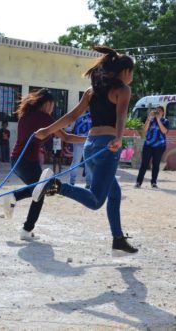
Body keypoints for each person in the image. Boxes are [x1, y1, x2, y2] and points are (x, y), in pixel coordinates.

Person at [33, 46, 138, 255]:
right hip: (107, 146)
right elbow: (120, 116)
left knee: (114, 192)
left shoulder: (93, 91)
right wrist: (118, 138)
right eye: (132, 72)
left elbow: (72, 116)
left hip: (90, 145)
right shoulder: (123, 90)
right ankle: (55, 185)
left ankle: (118, 239)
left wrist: (47, 130)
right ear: (125, 71)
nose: (132, 77)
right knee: (96, 201)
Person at [1, 89, 85, 240]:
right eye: (53, 105)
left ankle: (16, 201)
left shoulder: (24, 116)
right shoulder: (44, 118)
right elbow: (66, 137)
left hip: (16, 160)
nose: (53, 109)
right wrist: (88, 139)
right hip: (27, 161)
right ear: (48, 104)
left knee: (38, 189)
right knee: (39, 192)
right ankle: (26, 227)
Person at [135, 106, 169, 189]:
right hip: (148, 145)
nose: (158, 112)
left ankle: (153, 182)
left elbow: (164, 131)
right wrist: (149, 118)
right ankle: (138, 182)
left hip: (159, 146)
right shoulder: (151, 120)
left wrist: (158, 119)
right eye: (156, 111)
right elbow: (144, 130)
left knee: (156, 164)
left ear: (163, 113)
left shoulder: (165, 121)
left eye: (160, 111)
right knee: (144, 164)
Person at [69, 110, 92, 188]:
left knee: (86, 162)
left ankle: (88, 183)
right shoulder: (78, 114)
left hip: (85, 140)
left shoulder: (78, 115)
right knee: (80, 162)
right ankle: (73, 182)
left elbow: (69, 129)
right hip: (82, 140)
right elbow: (69, 129)